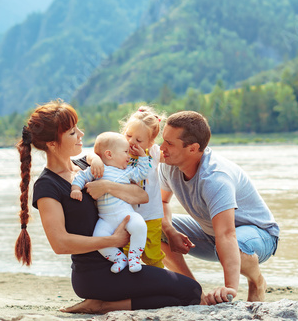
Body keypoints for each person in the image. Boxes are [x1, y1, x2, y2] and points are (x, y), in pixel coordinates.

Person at [14, 100, 201, 314]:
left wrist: (107, 185)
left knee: (187, 292)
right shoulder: (48, 186)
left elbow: (141, 196)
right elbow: (60, 244)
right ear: (52, 144)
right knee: (191, 291)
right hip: (95, 275)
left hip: (121, 263)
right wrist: (114, 240)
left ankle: (105, 304)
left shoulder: (89, 165)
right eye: (73, 132)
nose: (81, 134)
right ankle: (103, 305)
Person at [158, 110, 280, 305]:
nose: (161, 148)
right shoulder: (168, 165)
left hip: (260, 235)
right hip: (213, 234)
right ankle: (193, 290)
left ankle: (257, 281)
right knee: (151, 227)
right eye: (163, 140)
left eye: (169, 143)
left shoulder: (215, 178)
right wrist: (170, 231)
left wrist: (230, 288)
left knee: (236, 246)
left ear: (193, 148)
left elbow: (227, 235)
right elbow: (162, 203)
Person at [89, 106, 167, 269]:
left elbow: (174, 155)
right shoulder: (119, 152)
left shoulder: (153, 153)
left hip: (152, 214)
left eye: (139, 140)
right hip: (125, 214)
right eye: (128, 135)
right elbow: (97, 150)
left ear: (151, 142)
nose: (132, 142)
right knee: (126, 249)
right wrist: (95, 159)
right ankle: (128, 282)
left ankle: (159, 281)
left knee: (152, 255)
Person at [71, 132, 149, 273]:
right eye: (125, 152)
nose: (129, 156)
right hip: (105, 218)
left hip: (126, 214)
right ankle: (119, 259)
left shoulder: (127, 171)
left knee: (139, 226)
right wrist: (75, 188)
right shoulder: (98, 170)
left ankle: (134, 257)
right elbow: (81, 176)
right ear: (109, 154)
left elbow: (142, 172)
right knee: (99, 238)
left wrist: (143, 156)